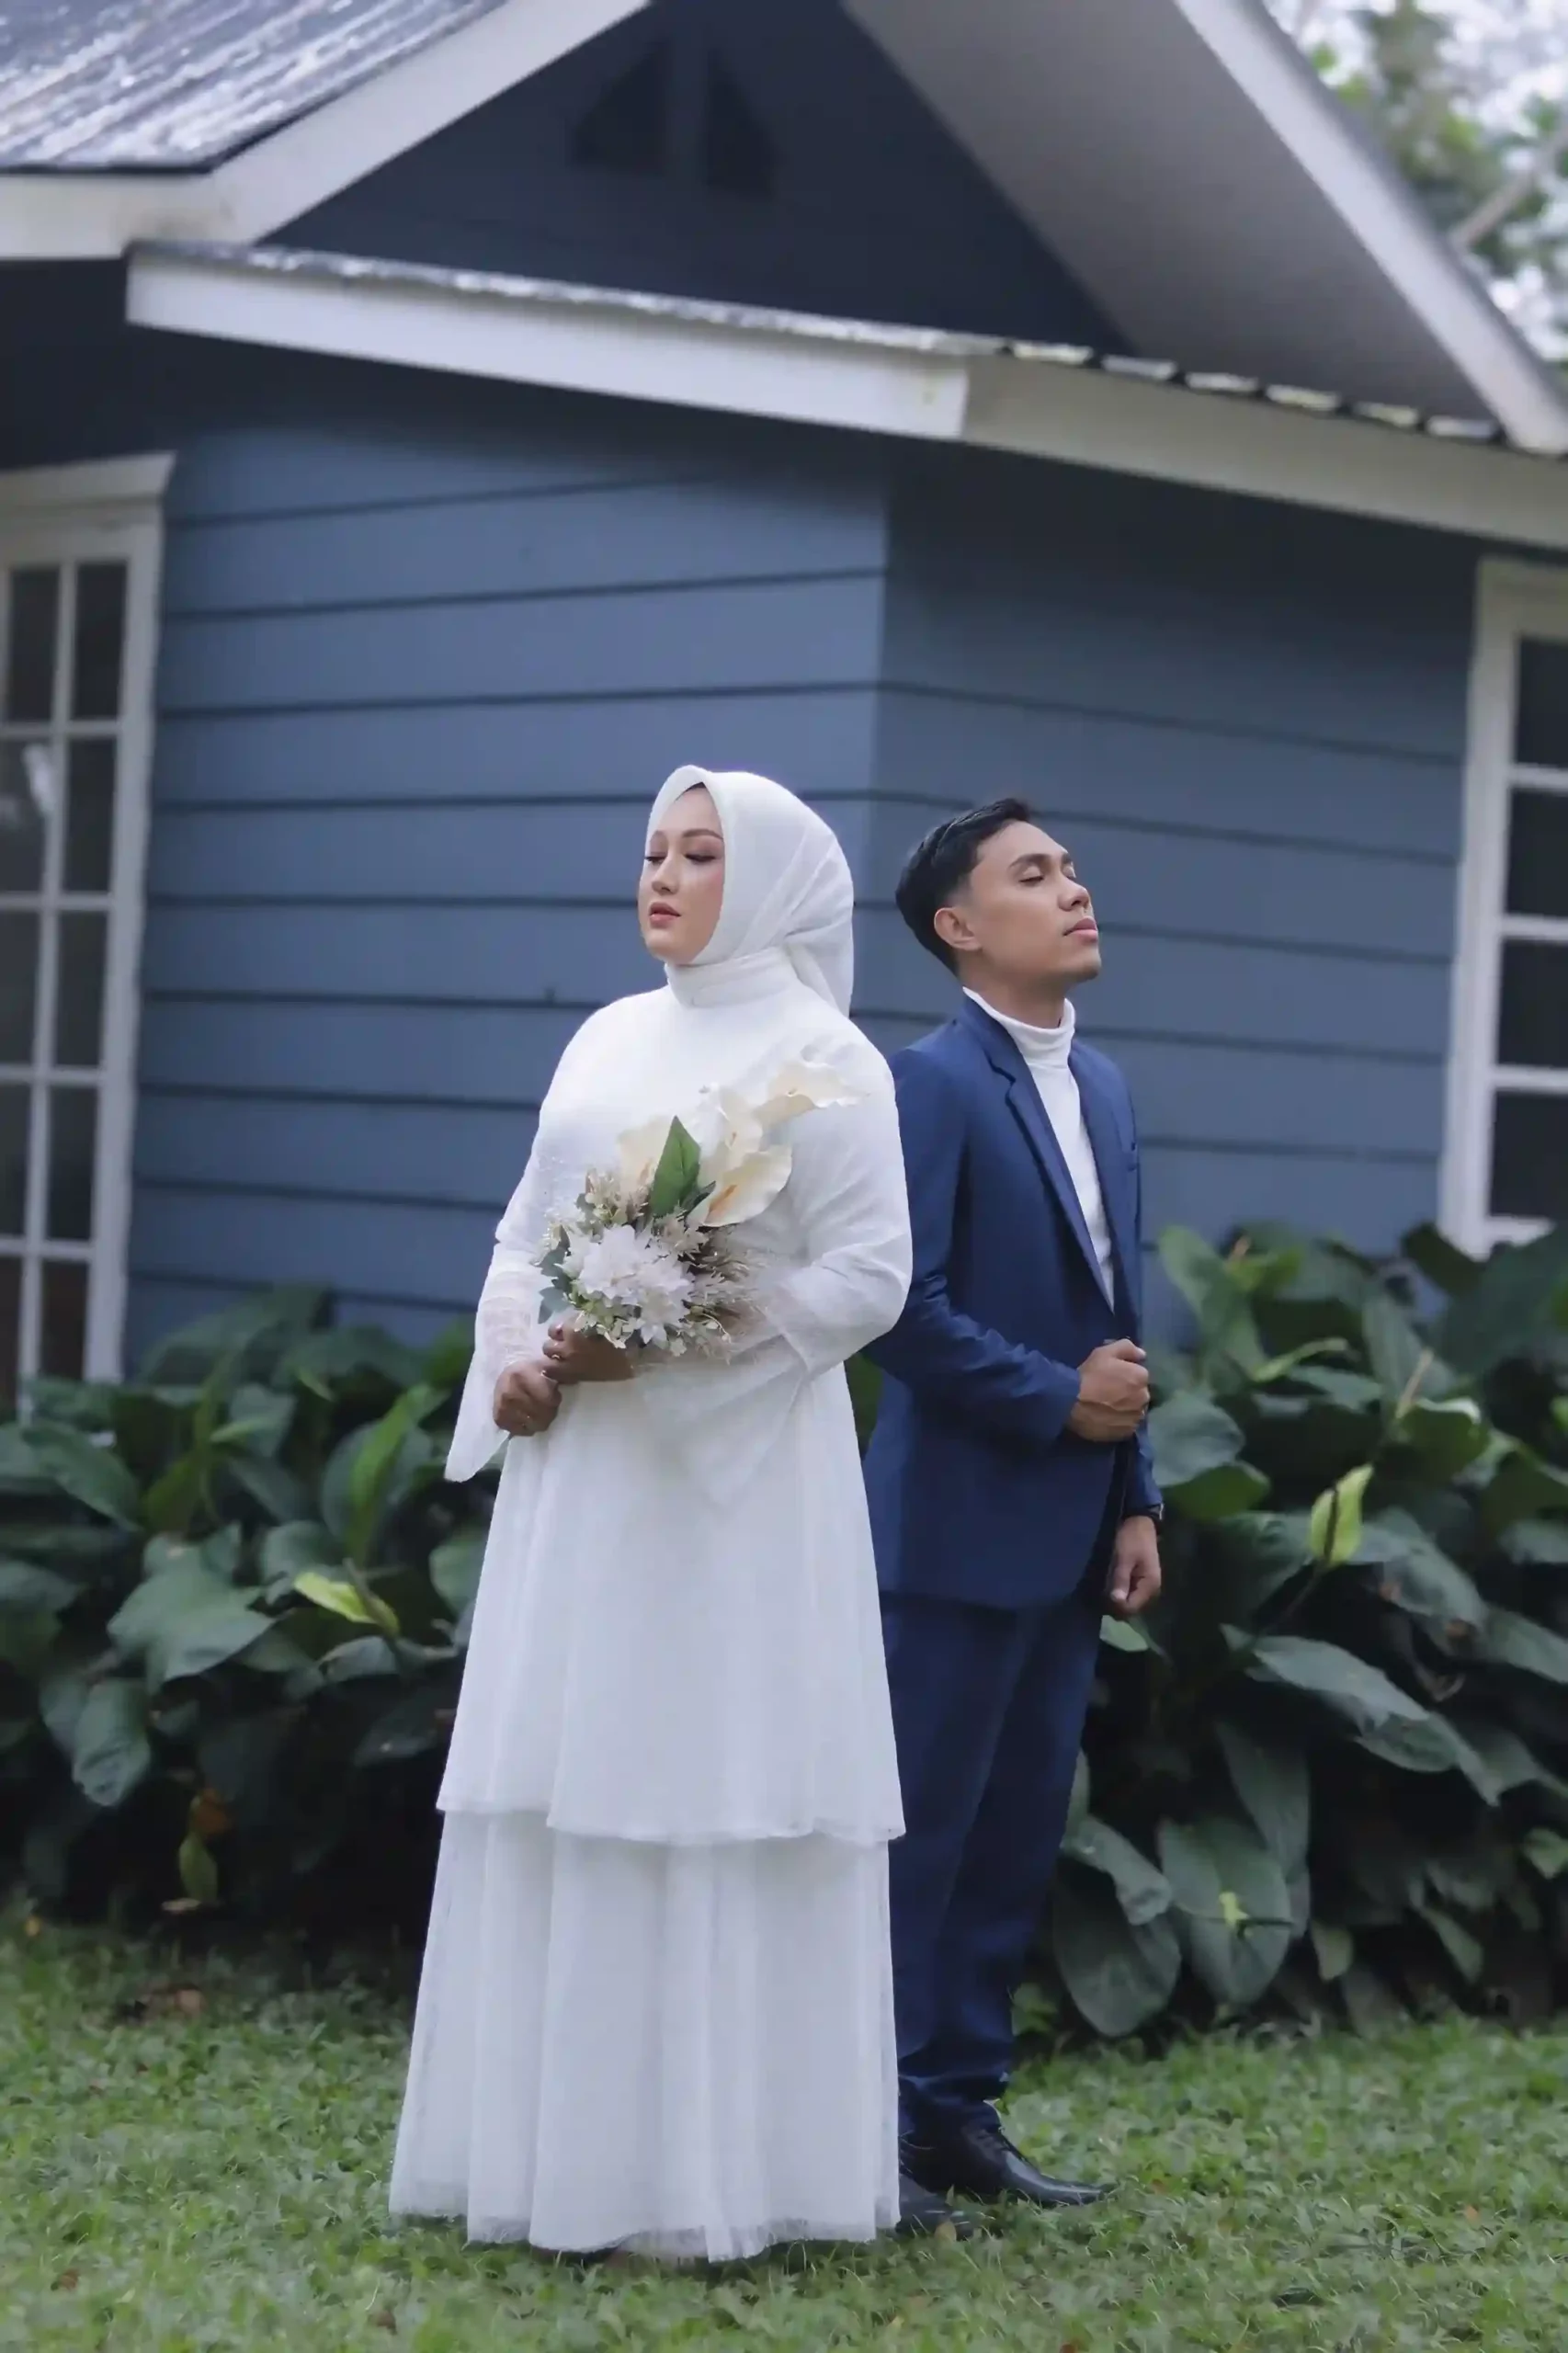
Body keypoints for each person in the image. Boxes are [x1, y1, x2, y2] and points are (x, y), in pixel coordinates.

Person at [390, 767, 920, 2261]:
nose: (663, 877)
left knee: (701, 1773)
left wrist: (676, 1345)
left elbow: (870, 1276)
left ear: (773, 884)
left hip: (728, 1494)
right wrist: (513, 1364)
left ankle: (710, 2176)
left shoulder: (829, 1057)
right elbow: (523, 1233)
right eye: (653, 852)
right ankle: (545, 2155)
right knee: (568, 1777)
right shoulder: (606, 1034)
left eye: (700, 855)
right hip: (582, 1479)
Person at [863, 797, 1163, 2229]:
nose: (1073, 890)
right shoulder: (926, 1086)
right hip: (951, 1529)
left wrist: (1133, 1492)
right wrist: (1058, 1402)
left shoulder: (1101, 1085)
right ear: (959, 927)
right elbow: (895, 1310)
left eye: (1070, 869)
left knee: (1011, 1840)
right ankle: (859, 2125)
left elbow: (1118, 1314)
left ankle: (954, 2118)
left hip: (1072, 1527)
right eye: (1033, 875)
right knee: (915, 1843)